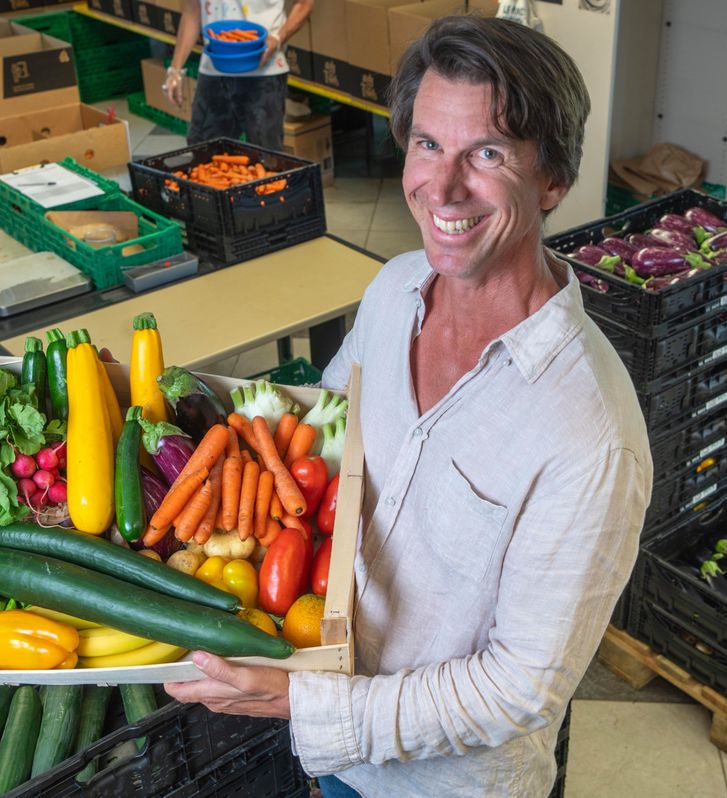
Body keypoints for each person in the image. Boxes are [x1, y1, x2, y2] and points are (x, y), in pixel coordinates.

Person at [164, 16, 653, 797]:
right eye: (427, 144)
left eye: (486, 153)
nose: (444, 187)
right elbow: (323, 432)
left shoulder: (588, 433)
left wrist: (303, 701)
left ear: (553, 179)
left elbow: (519, 688)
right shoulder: (393, 289)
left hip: (444, 785)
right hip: (331, 743)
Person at [165, 0, 314, 150]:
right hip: (214, 68)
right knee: (204, 151)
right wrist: (175, 69)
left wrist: (278, 37)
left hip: (265, 71)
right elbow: (192, 9)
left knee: (266, 156)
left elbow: (305, 3)